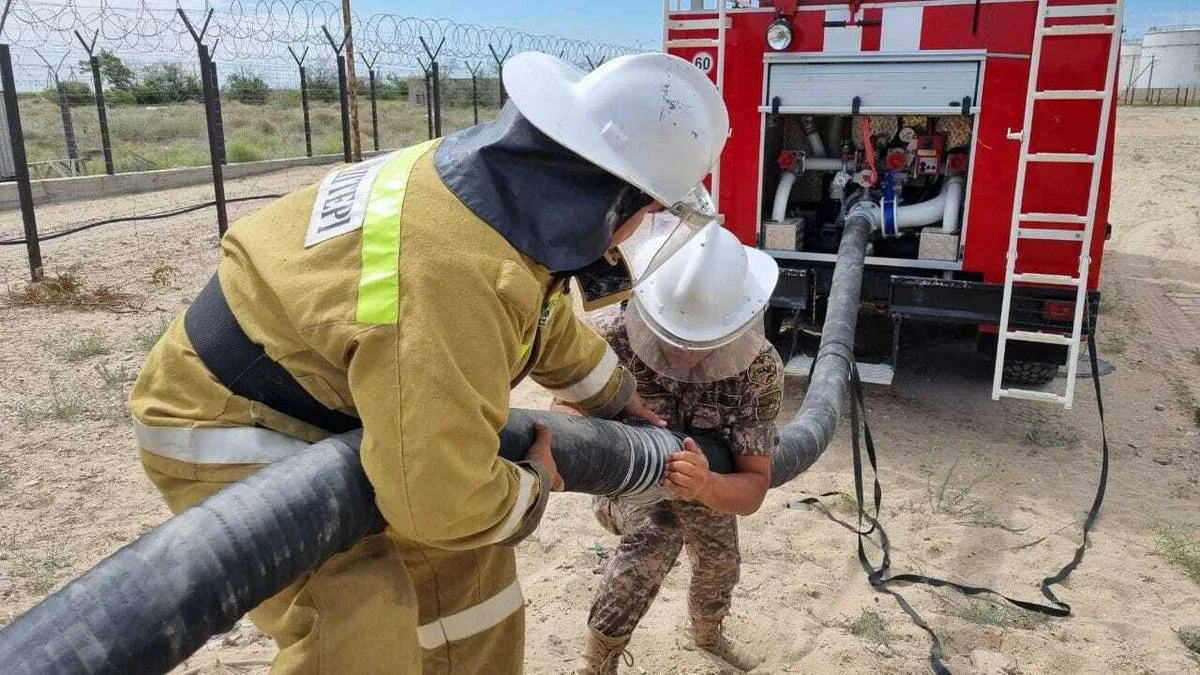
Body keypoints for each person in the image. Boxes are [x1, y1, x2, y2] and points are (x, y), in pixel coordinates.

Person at [128, 51, 728, 674]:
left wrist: (618, 397)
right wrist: (537, 484)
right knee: (363, 611)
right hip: (231, 417)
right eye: (649, 211)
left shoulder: (496, 198)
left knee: (473, 573)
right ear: (610, 198)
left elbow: (536, 316)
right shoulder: (453, 272)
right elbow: (437, 499)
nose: (638, 229)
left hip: (338, 397)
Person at [562, 222, 784, 674]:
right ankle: (599, 659)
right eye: (672, 336)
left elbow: (754, 486)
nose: (684, 354)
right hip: (629, 479)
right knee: (657, 533)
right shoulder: (608, 337)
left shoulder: (758, 368)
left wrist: (705, 485)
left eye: (702, 343)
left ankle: (708, 633)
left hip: (708, 478)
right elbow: (568, 420)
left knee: (720, 562)